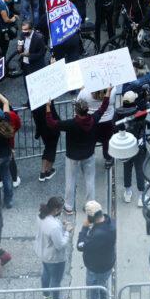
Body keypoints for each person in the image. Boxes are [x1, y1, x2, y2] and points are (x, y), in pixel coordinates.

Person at [46, 86, 112, 214]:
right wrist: (108, 92)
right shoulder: (93, 120)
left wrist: (48, 107)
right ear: (87, 110)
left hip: (72, 156)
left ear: (76, 111)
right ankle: (90, 205)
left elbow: (51, 123)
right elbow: (103, 107)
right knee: (90, 180)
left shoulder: (70, 124)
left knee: (70, 181)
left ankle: (69, 207)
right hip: (89, 155)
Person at [77, 200, 117, 299]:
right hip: (108, 264)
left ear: (91, 218)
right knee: (102, 289)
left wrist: (84, 228)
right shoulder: (111, 222)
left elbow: (80, 246)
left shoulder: (97, 235)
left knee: (93, 295)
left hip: (96, 269)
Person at [34, 196, 72, 299]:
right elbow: (60, 244)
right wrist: (67, 232)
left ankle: (46, 296)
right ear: (56, 210)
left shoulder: (41, 215)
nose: (61, 211)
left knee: (46, 273)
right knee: (56, 280)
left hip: (43, 252)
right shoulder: (54, 226)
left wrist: (61, 224)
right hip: (54, 258)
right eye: (60, 209)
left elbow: (50, 227)